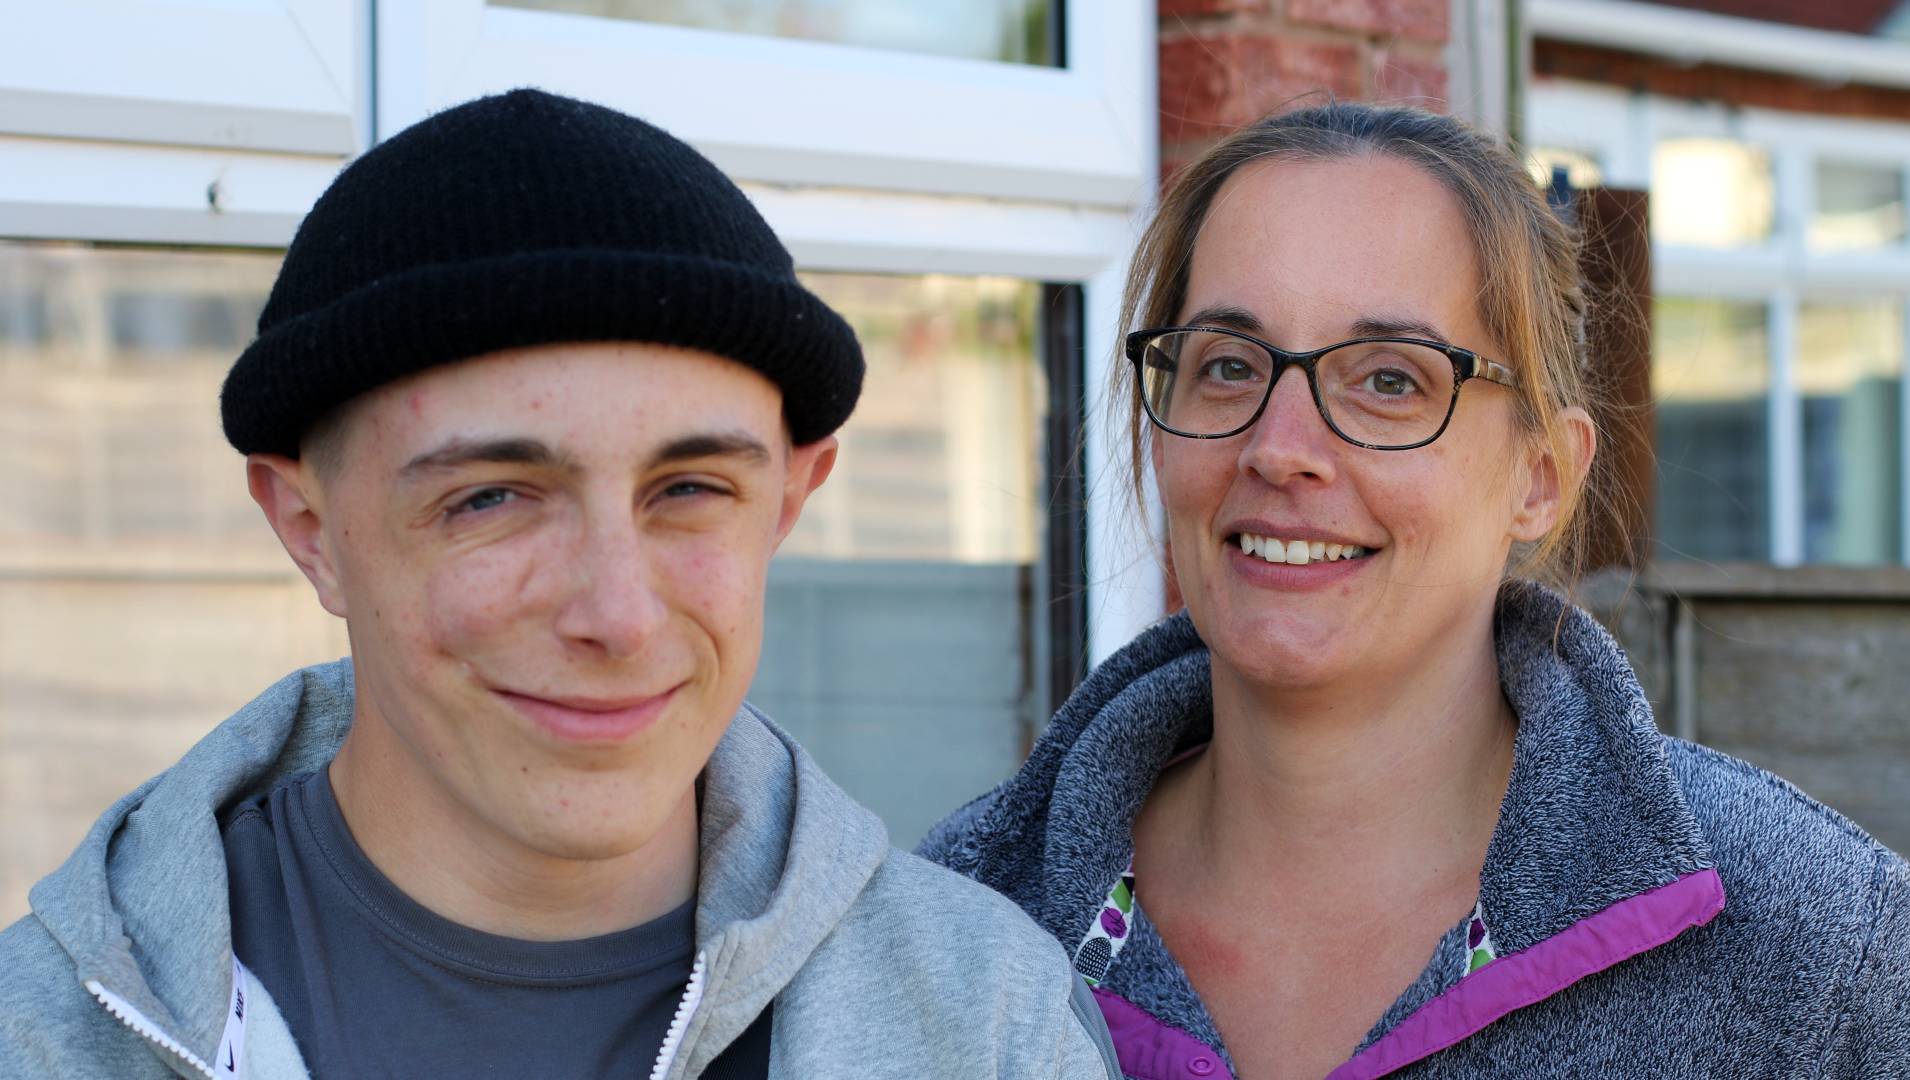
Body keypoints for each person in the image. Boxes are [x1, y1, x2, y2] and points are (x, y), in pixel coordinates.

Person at [0, 89, 1120, 1080]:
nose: (619, 617)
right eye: (492, 498)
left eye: (688, 489)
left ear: (791, 496)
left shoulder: (985, 1022)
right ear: (310, 529)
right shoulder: (42, 1032)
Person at [921, 102, 1910, 1079]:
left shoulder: (1818, 953)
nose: (1280, 449)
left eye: (1389, 380)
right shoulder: (948, 926)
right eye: (1228, 366)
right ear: (1157, 433)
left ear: (1541, 477)